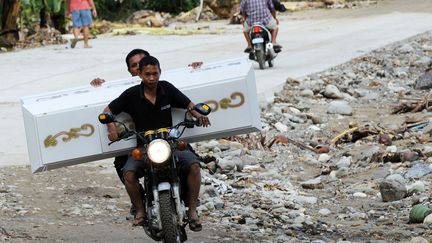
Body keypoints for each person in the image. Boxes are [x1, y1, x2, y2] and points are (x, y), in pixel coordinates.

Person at [90, 49, 203, 218]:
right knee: (128, 173)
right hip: (144, 147)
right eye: (146, 74)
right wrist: (112, 128)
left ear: (159, 72)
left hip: (170, 143)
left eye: (154, 73)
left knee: (194, 165)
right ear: (138, 74)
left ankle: (193, 209)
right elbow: (108, 111)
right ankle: (140, 209)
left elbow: (188, 104)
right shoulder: (131, 94)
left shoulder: (167, 88)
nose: (151, 78)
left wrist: (199, 115)